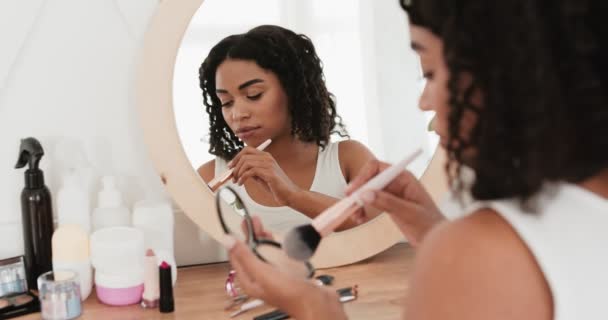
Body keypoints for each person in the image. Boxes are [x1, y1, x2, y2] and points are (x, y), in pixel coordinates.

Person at [223, 1, 608, 319]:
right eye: (225, 101)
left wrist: (312, 307)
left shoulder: (480, 251)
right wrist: (434, 232)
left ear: (508, 73)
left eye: (430, 72)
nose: (423, 101)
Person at [197, 25, 378, 232]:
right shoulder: (210, 177)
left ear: (294, 90)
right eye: (226, 102)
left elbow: (382, 230)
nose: (237, 114)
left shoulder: (349, 159)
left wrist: (293, 195)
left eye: (254, 94)